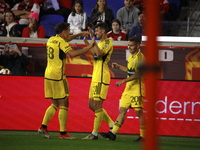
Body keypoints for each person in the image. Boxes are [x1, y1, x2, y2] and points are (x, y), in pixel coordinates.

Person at [38, 22, 95, 139]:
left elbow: (66, 40)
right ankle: (63, 133)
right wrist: (89, 47)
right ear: (64, 32)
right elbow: (73, 53)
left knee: (54, 103)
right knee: (64, 102)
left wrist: (79, 34)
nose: (70, 32)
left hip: (48, 74)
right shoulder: (61, 42)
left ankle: (43, 127)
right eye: (69, 30)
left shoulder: (51, 39)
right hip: (58, 75)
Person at [100, 36, 146, 142]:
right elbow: (129, 70)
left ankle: (144, 136)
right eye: (128, 45)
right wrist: (119, 67)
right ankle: (113, 133)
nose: (129, 47)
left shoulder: (140, 57)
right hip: (128, 89)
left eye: (132, 45)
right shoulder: (130, 57)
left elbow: (139, 74)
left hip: (137, 89)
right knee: (122, 110)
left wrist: (123, 81)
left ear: (138, 45)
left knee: (139, 113)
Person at [82, 22, 114, 140]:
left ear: (103, 31)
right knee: (91, 105)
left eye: (97, 31)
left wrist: (93, 41)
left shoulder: (108, 42)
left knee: (97, 105)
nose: (95, 33)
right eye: (95, 31)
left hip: (102, 77)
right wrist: (87, 42)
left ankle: (94, 134)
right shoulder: (99, 43)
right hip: (95, 76)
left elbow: (100, 53)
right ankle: (112, 124)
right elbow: (94, 54)